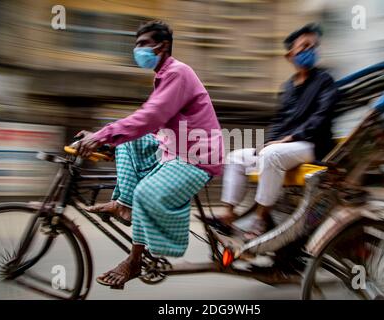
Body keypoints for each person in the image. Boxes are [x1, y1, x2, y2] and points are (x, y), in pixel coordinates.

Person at [75, 21, 223, 288]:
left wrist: (102, 135)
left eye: (143, 44)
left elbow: (151, 116)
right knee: (127, 143)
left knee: (145, 191)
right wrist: (108, 140)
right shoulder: (164, 76)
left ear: (162, 46)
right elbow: (152, 124)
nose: (138, 50)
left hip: (197, 157)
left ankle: (133, 261)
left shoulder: (178, 73)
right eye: (136, 45)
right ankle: (123, 203)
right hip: (174, 148)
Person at [216, 23, 338, 238]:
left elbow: (321, 117)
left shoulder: (325, 81)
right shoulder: (288, 87)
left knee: (272, 155)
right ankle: (228, 214)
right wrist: (269, 142)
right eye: (304, 46)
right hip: (286, 147)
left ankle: (260, 220)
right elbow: (280, 121)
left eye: (313, 46)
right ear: (290, 55)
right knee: (236, 157)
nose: (310, 51)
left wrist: (288, 139)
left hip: (312, 145)